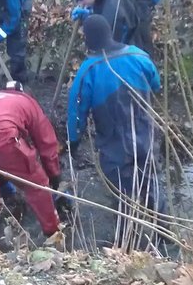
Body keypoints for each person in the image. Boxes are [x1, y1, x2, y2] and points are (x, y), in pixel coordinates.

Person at [66, 14, 163, 218]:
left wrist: (72, 141)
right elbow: (156, 85)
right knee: (151, 185)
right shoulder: (140, 56)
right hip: (147, 136)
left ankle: (126, 241)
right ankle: (163, 232)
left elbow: (76, 113)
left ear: (88, 41)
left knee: (123, 195)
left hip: (115, 146)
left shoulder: (88, 70)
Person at [0, 81, 63, 239]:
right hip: (2, 138)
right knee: (37, 185)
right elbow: (47, 145)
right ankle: (52, 233)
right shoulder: (29, 103)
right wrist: (54, 178)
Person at [68, 0, 139, 48]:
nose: (80, 4)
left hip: (130, 50)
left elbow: (112, 42)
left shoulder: (114, 4)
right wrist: (90, 15)